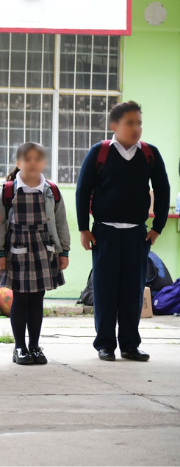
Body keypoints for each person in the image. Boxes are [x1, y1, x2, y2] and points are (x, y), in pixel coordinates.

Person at [76, 101, 169, 362]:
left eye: (139, 122)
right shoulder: (100, 152)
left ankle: (130, 344)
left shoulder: (150, 154)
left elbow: (163, 190)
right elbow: (83, 191)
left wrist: (157, 227)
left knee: (132, 291)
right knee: (105, 291)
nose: (136, 128)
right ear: (114, 126)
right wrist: (84, 228)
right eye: (130, 123)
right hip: (104, 234)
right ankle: (105, 344)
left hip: (136, 235)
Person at [0, 143, 70, 366]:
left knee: (37, 299)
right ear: (18, 164)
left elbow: (61, 223)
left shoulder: (51, 191)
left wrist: (64, 250)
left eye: (38, 159)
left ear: (43, 163)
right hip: (16, 250)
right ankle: (20, 347)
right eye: (27, 159)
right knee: (21, 299)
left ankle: (35, 346)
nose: (33, 163)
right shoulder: (7, 191)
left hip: (43, 250)